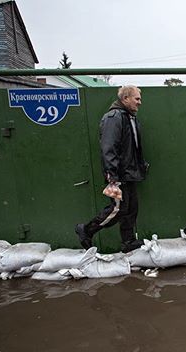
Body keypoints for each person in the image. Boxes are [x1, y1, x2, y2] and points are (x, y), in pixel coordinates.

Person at [75, 85, 149, 253]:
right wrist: (112, 176)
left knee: (131, 209)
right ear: (125, 99)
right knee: (118, 210)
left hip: (130, 174)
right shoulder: (114, 117)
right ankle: (86, 230)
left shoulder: (129, 117)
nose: (140, 102)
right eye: (137, 99)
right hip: (119, 174)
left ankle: (128, 241)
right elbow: (109, 148)